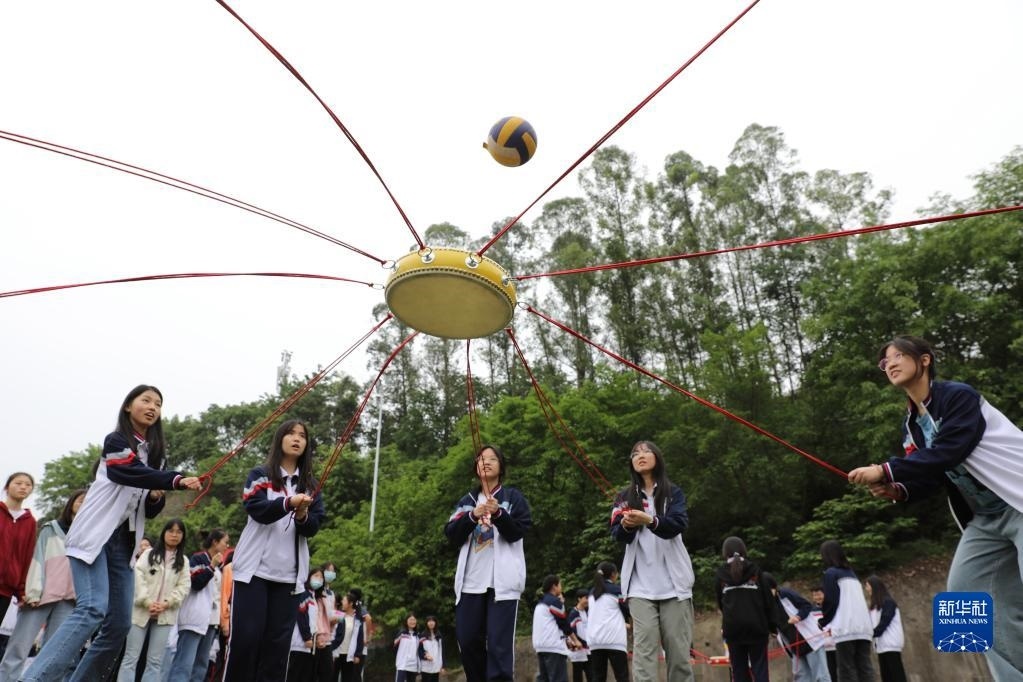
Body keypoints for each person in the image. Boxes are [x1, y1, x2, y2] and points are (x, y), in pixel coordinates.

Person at [848, 335, 1023, 679]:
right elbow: (932, 473)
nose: (890, 364)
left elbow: (950, 450)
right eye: (885, 361)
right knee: (963, 599)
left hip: (1017, 500)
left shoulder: (959, 396)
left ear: (925, 359)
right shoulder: (911, 425)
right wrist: (897, 489)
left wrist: (885, 469)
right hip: (985, 518)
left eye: (899, 356)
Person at [21, 385, 202, 682]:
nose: (153, 407)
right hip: (96, 535)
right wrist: (175, 480)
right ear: (128, 406)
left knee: (119, 625)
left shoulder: (156, 457)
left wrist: (156, 495)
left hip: (125, 543)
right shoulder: (116, 441)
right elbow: (124, 471)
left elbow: (149, 506)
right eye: (146, 400)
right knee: (92, 609)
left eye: (158, 404)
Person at [221, 419, 326, 682]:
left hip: (288, 578)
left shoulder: (310, 485)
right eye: (290, 433)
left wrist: (302, 515)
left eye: (302, 435)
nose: (296, 438)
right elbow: (257, 509)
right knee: (246, 641)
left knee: (277, 649)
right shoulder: (261, 475)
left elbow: (313, 527)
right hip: (254, 573)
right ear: (280, 439)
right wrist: (289, 503)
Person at [444, 444, 532, 682]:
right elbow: (452, 534)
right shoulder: (467, 501)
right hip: (470, 583)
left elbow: (518, 531)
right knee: (467, 640)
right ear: (476, 467)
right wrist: (472, 516)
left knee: (498, 645)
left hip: (502, 585)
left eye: (493, 458)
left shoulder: (512, 498)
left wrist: (499, 514)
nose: (487, 462)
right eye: (482, 459)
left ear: (501, 467)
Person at [609, 440, 695, 682]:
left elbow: (678, 524)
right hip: (639, 588)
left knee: (678, 654)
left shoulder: (673, 493)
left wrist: (649, 520)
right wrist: (627, 525)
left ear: (657, 457)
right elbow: (617, 534)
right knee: (644, 653)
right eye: (635, 453)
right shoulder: (624, 497)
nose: (641, 455)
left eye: (646, 451)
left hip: (675, 586)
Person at [0, 489, 84, 681]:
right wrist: (33, 592)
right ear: (71, 503)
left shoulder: (90, 536)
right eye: (81, 501)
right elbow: (36, 560)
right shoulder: (51, 528)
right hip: (41, 595)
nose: (84, 505)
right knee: (19, 647)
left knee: (53, 653)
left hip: (69, 600)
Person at [117, 519, 191, 682]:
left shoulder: (184, 561)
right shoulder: (148, 554)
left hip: (165, 615)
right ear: (164, 533)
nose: (174, 535)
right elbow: (138, 577)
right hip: (140, 611)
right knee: (130, 658)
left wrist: (167, 603)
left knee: (155, 662)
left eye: (179, 532)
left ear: (183, 536)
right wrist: (147, 601)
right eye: (171, 531)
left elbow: (184, 587)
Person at [168, 529, 228, 682]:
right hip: (193, 620)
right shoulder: (197, 559)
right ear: (215, 542)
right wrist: (211, 566)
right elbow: (195, 584)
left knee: (201, 665)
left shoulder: (220, 565)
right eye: (225, 542)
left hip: (211, 621)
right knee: (184, 663)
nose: (227, 546)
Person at [714, 537, 774, 682]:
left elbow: (720, 603)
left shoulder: (721, 574)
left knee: (739, 671)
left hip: (733, 629)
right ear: (743, 550)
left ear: (725, 552)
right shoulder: (755, 571)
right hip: (757, 627)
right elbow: (768, 601)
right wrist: (772, 626)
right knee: (760, 670)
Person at [817, 540, 874, 682]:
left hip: (845, 628)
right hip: (864, 627)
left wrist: (823, 621)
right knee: (865, 668)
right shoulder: (852, 574)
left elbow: (831, 601)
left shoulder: (831, 573)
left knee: (846, 670)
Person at [761, 572, 831, 682]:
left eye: (768, 590)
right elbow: (772, 626)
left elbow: (806, 605)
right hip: (792, 645)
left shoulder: (785, 594)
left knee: (820, 676)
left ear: (773, 587)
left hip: (809, 639)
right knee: (801, 677)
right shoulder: (766, 604)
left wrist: (798, 617)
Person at [0, 473, 37, 626]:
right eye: (18, 483)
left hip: (5, 591)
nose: (23, 487)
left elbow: (27, 557)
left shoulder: (30, 522)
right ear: (7, 487)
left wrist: (22, 590)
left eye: (28, 485)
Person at [586, 562, 628, 682]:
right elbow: (627, 609)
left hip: (595, 641)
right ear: (613, 574)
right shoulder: (617, 590)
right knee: (622, 677)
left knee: (598, 678)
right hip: (614, 640)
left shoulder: (591, 593)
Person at [532, 575, 579, 682]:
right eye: (560, 584)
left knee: (544, 679)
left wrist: (566, 641)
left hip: (541, 647)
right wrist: (575, 640)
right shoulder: (554, 601)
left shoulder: (540, 603)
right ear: (554, 586)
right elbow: (564, 624)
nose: (561, 587)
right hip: (553, 647)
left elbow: (551, 627)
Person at [864, 576, 906, 682]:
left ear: (874, 586)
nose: (866, 589)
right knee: (887, 676)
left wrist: (871, 634)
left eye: (868, 586)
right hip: (881, 645)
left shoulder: (888, 602)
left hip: (891, 644)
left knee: (896, 675)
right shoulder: (874, 606)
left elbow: (884, 622)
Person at [287, 577, 318, 682]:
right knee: (294, 675)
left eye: (321, 577)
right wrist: (306, 637)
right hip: (298, 642)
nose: (319, 579)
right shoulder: (304, 594)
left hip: (307, 645)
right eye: (316, 576)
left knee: (303, 676)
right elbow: (301, 616)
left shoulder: (312, 596)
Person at [331, 591, 364, 682]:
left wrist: (358, 654)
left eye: (344, 600)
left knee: (347, 678)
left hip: (349, 656)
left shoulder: (357, 619)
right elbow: (332, 632)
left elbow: (360, 638)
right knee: (332, 677)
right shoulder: (338, 615)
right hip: (336, 653)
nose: (342, 602)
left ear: (350, 603)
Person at [811, 586, 837, 681]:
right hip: (822, 648)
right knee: (829, 673)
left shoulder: (833, 607)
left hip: (837, 645)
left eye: (819, 594)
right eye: (814, 595)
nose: (817, 597)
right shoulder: (811, 611)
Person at [567, 589, 590, 682]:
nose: (588, 600)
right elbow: (573, 631)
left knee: (591, 675)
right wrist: (579, 642)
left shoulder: (587, 612)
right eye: (586, 598)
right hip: (578, 649)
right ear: (579, 599)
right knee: (578, 676)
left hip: (588, 649)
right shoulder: (574, 613)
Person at [393, 613, 424, 682]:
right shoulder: (402, 633)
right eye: (410, 620)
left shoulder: (418, 635)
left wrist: (426, 654)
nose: (412, 622)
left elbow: (421, 649)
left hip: (413, 666)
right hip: (402, 665)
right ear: (406, 621)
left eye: (414, 620)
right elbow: (394, 647)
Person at [419, 615, 443, 682]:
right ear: (426, 623)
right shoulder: (422, 635)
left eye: (433, 621)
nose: (431, 623)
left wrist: (442, 665)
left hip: (436, 666)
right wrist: (425, 656)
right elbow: (419, 650)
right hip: (425, 667)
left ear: (435, 623)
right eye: (429, 621)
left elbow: (441, 651)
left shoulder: (438, 635)